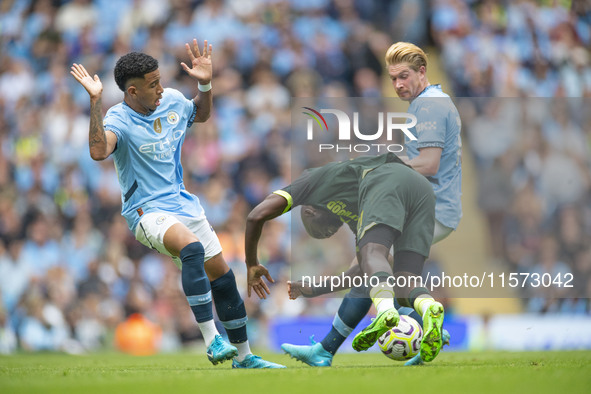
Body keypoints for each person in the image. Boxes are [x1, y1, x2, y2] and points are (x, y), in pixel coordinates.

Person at [70, 39, 284, 369]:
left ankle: (246, 357)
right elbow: (99, 151)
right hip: (146, 211)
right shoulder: (118, 119)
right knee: (192, 248)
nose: (160, 89)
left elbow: (200, 112)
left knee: (224, 278)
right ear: (131, 92)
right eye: (152, 84)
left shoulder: (171, 100)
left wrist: (206, 84)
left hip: (182, 204)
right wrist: (95, 102)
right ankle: (212, 339)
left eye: (160, 81)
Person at [280, 41, 462, 367]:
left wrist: (384, 168)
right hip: (431, 207)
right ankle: (424, 320)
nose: (398, 85)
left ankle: (371, 327)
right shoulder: (426, 104)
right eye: (392, 78)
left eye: (404, 76)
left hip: (425, 207)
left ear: (423, 71)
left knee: (371, 268)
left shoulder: (431, 107)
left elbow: (430, 162)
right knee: (378, 274)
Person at [245, 152, 446, 365]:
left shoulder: (310, 181)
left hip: (387, 177)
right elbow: (362, 272)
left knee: (373, 255)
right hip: (422, 190)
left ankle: (385, 312)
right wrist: (314, 289)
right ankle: (428, 311)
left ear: (310, 211)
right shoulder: (355, 211)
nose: (331, 231)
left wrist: (251, 264)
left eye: (325, 231)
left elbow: (255, 215)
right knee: (405, 282)